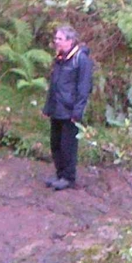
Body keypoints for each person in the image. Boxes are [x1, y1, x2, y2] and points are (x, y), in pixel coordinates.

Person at [42, 25, 94, 191]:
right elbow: (54, 85)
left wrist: (78, 111)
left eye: (60, 39)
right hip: (57, 109)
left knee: (68, 146)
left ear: (70, 41)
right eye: (55, 38)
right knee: (55, 144)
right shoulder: (60, 58)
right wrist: (48, 107)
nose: (56, 41)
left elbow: (84, 87)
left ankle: (68, 177)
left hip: (70, 110)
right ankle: (60, 174)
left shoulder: (81, 60)